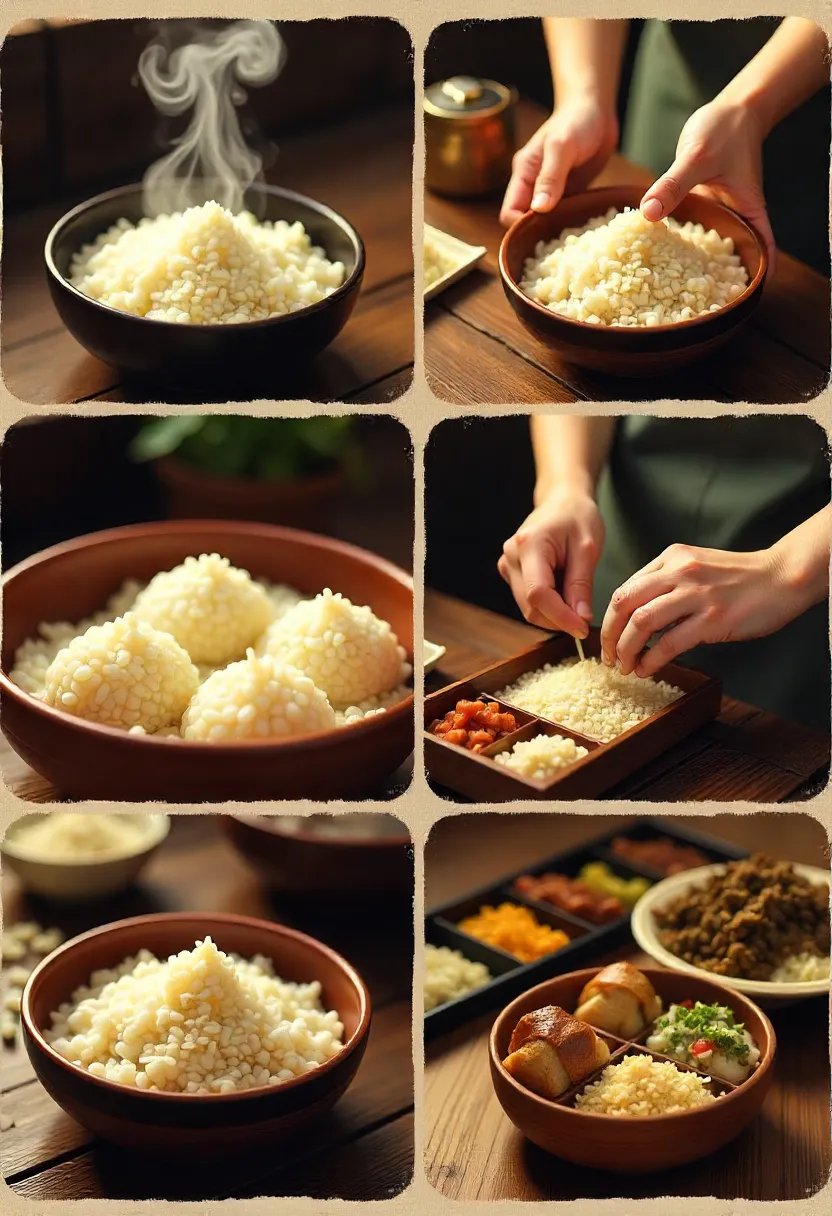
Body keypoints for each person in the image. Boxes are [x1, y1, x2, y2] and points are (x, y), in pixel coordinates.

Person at [498, 415, 831, 730]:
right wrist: (564, 487)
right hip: (622, 548)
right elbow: (581, 377)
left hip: (803, 597)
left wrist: (784, 569)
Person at [500, 17, 830, 273]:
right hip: (680, 69)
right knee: (654, 199)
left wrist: (750, 108)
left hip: (816, 109)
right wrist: (581, 96)